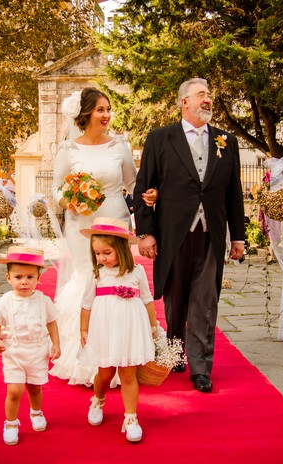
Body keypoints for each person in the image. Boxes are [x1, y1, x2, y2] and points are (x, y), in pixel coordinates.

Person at [133, 78, 245, 393]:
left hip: (211, 233)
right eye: (200, 95)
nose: (207, 99)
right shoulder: (160, 138)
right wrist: (146, 233)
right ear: (184, 102)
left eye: (208, 95)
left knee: (205, 301)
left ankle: (201, 367)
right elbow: (143, 187)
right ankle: (176, 350)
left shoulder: (226, 141)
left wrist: (238, 237)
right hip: (173, 234)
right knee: (176, 299)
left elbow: (233, 192)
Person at [49, 87, 156, 385]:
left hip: (115, 219)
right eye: (100, 109)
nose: (107, 114)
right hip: (80, 223)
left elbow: (133, 183)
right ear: (86, 114)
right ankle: (83, 359)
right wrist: (69, 200)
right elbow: (56, 188)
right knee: (89, 277)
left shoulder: (119, 145)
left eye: (108, 109)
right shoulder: (68, 149)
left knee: (115, 276)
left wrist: (148, 197)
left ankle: (120, 354)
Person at [78, 218, 158, 443]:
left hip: (129, 330)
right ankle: (98, 399)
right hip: (105, 329)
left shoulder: (136, 272)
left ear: (122, 249)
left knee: (128, 374)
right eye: (97, 253)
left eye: (107, 253)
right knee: (105, 373)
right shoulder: (97, 274)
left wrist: (153, 325)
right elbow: (86, 304)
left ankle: (131, 417)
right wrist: (83, 329)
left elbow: (147, 300)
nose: (101, 258)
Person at [0, 246, 60, 446]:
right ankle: (11, 423)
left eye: (30, 277)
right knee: (15, 390)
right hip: (13, 352)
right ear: (8, 277)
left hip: (37, 351)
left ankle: (36, 412)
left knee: (35, 387)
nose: (24, 282)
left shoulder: (43, 301)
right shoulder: (5, 301)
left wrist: (56, 343)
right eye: (18, 277)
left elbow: (51, 323)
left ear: (38, 278)